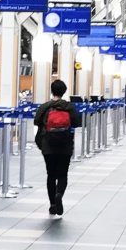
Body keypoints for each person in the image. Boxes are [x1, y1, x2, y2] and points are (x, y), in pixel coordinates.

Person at [33, 80, 79, 218]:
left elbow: (36, 121)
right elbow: (77, 123)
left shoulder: (45, 106)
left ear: (52, 90)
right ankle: (59, 193)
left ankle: (53, 204)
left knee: (51, 175)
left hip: (48, 145)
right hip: (65, 145)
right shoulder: (69, 107)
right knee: (63, 174)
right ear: (64, 91)